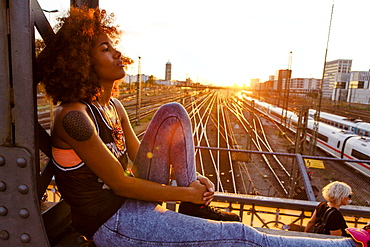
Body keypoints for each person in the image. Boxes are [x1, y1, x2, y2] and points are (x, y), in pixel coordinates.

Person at [37, 6, 365, 247]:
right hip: (113, 223)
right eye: (104, 48)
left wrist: (192, 182)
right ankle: (350, 245)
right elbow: (122, 184)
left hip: (130, 207)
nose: (117, 52)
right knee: (242, 235)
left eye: (113, 44)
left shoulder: (113, 106)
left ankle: (195, 202)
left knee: (172, 111)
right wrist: (182, 191)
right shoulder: (74, 117)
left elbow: (140, 164)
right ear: (82, 61)